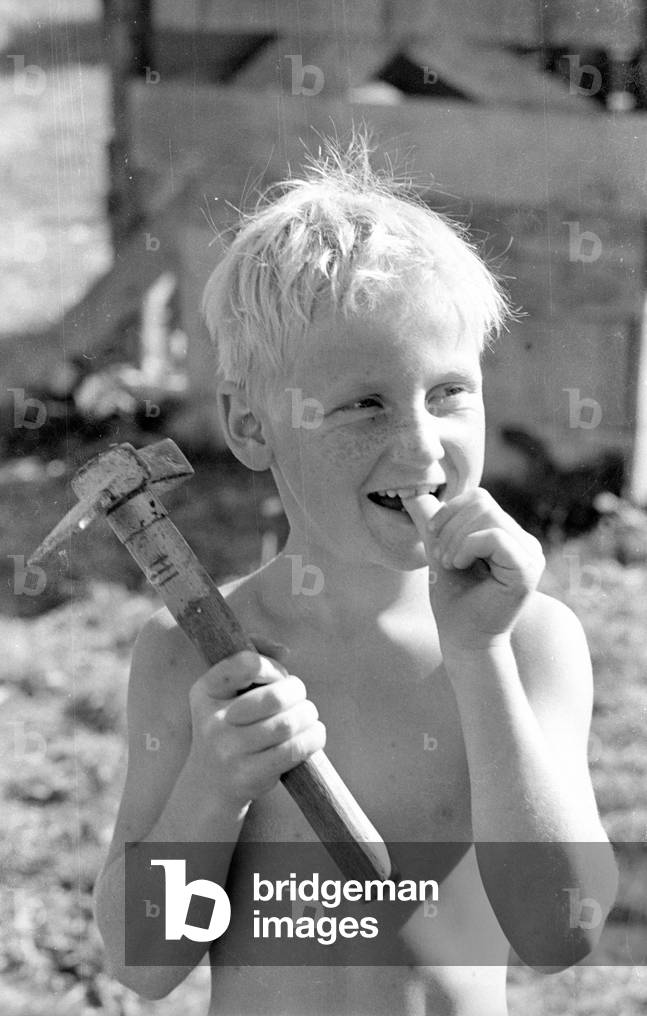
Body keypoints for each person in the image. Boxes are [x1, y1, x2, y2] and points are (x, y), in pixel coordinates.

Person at [94, 137, 618, 1015]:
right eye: (365, 402)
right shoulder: (195, 661)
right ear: (251, 426)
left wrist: (479, 656)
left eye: (448, 392)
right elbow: (142, 964)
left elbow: (559, 932)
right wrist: (211, 789)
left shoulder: (528, 642)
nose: (420, 445)